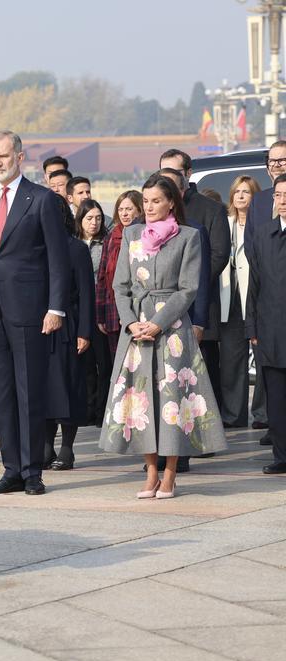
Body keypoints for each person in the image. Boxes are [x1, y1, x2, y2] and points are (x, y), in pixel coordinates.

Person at [99, 174, 226, 498]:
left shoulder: (188, 236)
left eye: (157, 200)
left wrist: (158, 322)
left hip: (171, 331)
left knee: (172, 400)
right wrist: (130, 323)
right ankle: (150, 472)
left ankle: (170, 473)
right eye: (146, 200)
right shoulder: (131, 234)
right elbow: (120, 286)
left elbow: (188, 289)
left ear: (172, 202)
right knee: (141, 401)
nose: (150, 206)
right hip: (137, 332)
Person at [0, 130, 69, 496]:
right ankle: (10, 469)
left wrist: (55, 307)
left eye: (3, 156)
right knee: (1, 396)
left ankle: (31, 472)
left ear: (20, 157)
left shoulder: (40, 200)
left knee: (29, 393)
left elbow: (58, 260)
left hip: (30, 311)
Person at [159, 149, 231, 415]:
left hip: (199, 303)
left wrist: (189, 286)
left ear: (186, 175)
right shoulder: (152, 215)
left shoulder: (209, 209)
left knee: (204, 371)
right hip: (162, 307)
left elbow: (219, 254)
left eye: (174, 174)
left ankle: (206, 427)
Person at [44, 195, 94, 470]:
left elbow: (87, 293)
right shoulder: (35, 247)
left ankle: (67, 447)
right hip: (39, 327)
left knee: (67, 387)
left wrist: (84, 331)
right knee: (44, 388)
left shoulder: (75, 248)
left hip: (70, 325)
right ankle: (45, 445)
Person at [243, 140, 286, 434]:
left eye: (282, 161)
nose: (276, 166)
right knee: (272, 383)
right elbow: (251, 246)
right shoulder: (260, 200)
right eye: (272, 162)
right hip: (269, 309)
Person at [219, 176, 260, 429]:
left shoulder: (261, 223)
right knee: (232, 361)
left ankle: (263, 415)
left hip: (255, 296)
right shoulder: (226, 223)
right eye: (237, 192)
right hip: (229, 296)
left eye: (246, 192)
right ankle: (234, 415)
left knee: (262, 359)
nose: (241, 196)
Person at [75, 199, 110, 425]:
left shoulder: (105, 243)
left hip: (101, 309)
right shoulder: (74, 243)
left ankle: (101, 410)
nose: (94, 223)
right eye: (89, 218)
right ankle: (86, 408)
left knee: (104, 363)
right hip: (79, 310)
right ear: (80, 220)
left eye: (98, 218)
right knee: (84, 365)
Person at [97, 191, 144, 357]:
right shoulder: (110, 238)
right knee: (117, 362)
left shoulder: (144, 235)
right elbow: (102, 278)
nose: (124, 213)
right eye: (120, 209)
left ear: (139, 210)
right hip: (113, 308)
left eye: (129, 209)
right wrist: (100, 315)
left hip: (139, 308)